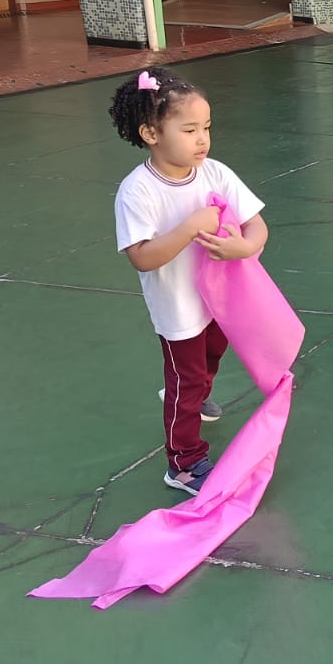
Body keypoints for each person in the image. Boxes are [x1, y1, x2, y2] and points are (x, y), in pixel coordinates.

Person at [110, 67, 267, 495]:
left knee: (211, 355)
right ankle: (184, 462)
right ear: (151, 133)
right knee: (188, 376)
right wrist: (190, 226)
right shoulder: (138, 191)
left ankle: (195, 394)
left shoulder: (215, 173)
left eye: (206, 128)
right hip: (178, 307)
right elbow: (142, 257)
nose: (202, 139)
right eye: (189, 130)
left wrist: (244, 246)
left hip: (219, 299)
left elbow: (257, 225)